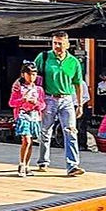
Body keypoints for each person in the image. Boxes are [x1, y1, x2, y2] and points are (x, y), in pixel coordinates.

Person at [34, 31, 86, 177]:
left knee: (71, 131)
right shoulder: (43, 57)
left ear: (67, 44)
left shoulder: (74, 62)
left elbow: (77, 84)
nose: (57, 46)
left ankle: (73, 165)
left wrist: (80, 104)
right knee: (45, 131)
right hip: (48, 98)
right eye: (54, 43)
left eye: (60, 43)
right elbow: (31, 76)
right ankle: (43, 160)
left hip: (67, 99)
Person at [9, 62, 46, 177]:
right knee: (26, 140)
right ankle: (21, 163)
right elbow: (11, 103)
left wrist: (36, 103)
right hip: (22, 115)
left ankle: (27, 165)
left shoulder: (39, 89)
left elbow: (43, 104)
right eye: (29, 74)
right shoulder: (18, 88)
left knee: (30, 142)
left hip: (34, 116)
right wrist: (22, 100)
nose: (31, 77)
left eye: (34, 74)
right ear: (23, 74)